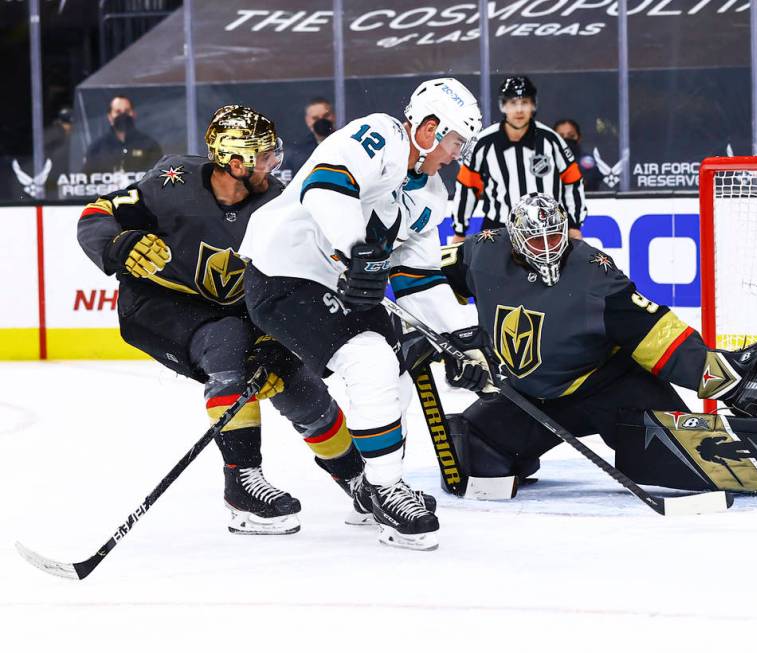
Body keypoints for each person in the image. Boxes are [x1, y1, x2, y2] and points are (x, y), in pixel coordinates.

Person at [437, 193, 757, 499]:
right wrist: (456, 344)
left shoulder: (591, 272)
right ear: (514, 238)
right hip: (530, 398)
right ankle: (520, 457)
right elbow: (424, 277)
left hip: (608, 388)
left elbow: (653, 332)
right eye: (536, 240)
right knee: (467, 456)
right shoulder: (482, 253)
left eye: (553, 237)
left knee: (692, 460)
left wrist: (717, 375)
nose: (547, 248)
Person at [77, 105, 367, 535]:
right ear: (236, 162)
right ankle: (241, 483)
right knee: (228, 342)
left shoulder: (279, 205)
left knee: (292, 376)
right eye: (265, 155)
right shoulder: (171, 181)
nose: (274, 163)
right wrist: (119, 244)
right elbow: (94, 216)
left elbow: (294, 287)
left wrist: (276, 342)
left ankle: (359, 480)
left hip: (232, 310)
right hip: (158, 305)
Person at [240, 78, 490, 551]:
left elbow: (419, 278)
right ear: (430, 128)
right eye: (456, 141)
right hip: (283, 275)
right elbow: (326, 185)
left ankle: (376, 485)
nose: (457, 154)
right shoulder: (380, 136)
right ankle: (385, 488)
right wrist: (357, 252)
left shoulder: (432, 196)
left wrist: (463, 340)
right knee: (371, 358)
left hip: (345, 287)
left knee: (399, 364)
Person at [452, 76, 586, 242]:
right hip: (498, 229)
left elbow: (572, 182)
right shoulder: (483, 143)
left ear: (533, 105)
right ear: (503, 106)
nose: (519, 110)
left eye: (525, 102)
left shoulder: (551, 141)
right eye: (513, 103)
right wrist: (459, 230)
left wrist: (574, 225)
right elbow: (467, 186)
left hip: (546, 229)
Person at [83, 95, 163, 176]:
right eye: (118, 112)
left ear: (133, 114)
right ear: (110, 117)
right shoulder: (97, 148)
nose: (123, 115)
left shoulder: (149, 145)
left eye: (127, 111)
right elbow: (87, 179)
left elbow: (157, 177)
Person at [283, 97, 336, 175]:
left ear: (333, 116)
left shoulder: (347, 143)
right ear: (308, 120)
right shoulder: (298, 153)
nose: (321, 121)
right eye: (315, 118)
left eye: (326, 116)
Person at [552, 119, 602, 192]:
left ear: (579, 138)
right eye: (560, 136)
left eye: (571, 136)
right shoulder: (546, 160)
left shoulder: (586, 161)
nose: (565, 139)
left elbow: (590, 183)